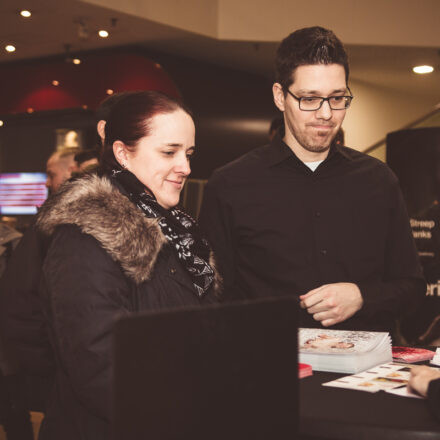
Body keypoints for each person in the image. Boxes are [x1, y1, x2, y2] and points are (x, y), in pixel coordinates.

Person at [199, 26, 425, 333]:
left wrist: (362, 297)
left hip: (363, 373)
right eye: (309, 99)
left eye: (337, 98)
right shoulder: (229, 185)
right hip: (268, 367)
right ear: (280, 96)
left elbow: (411, 287)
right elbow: (209, 297)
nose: (326, 114)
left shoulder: (380, 181)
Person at [33, 91, 221, 440]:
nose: (186, 167)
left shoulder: (177, 230)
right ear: (122, 153)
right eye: (169, 152)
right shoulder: (85, 236)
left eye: (189, 153)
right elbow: (99, 367)